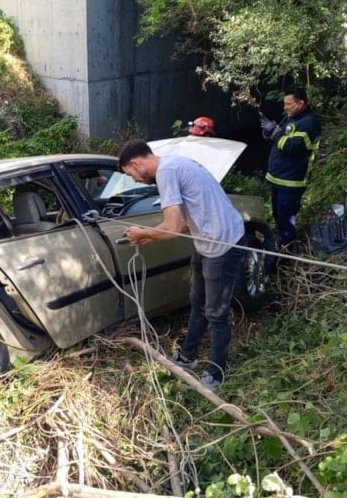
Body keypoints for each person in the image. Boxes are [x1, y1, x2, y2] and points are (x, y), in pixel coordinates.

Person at [118, 140, 246, 390]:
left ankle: (217, 372)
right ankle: (188, 356)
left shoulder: (166, 172)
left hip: (222, 244)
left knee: (216, 312)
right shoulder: (175, 165)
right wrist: (151, 235)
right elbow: (189, 220)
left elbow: (172, 227)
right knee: (197, 300)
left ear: (136, 163)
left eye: (130, 174)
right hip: (206, 240)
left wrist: (143, 232)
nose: (134, 180)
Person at [260, 85, 321, 250]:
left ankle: (287, 252)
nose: (285, 107)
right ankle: (282, 246)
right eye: (284, 104)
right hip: (277, 177)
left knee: (286, 221)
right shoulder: (290, 118)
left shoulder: (310, 123)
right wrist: (268, 133)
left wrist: (274, 132)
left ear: (300, 103)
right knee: (278, 217)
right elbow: (279, 140)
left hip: (292, 181)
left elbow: (293, 146)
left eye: (288, 104)